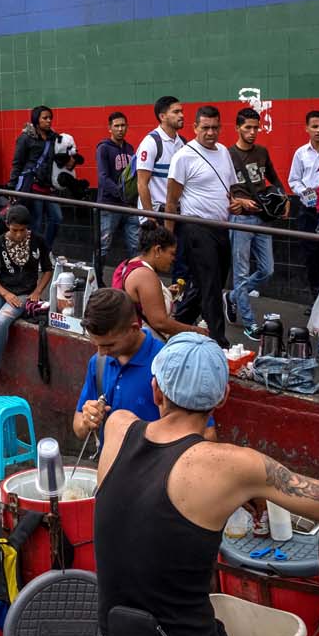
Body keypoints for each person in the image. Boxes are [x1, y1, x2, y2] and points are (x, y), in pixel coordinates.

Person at [93, 333, 319, 636]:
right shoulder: (235, 467)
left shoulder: (117, 427)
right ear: (224, 397)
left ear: (156, 391)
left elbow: (155, 488)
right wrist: (248, 488)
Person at [75, 288, 214, 443]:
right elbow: (78, 427)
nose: (101, 353)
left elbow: (207, 434)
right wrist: (87, 421)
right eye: (96, 344)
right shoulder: (98, 363)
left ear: (134, 328)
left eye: (109, 345)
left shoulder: (171, 366)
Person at [167, 106, 242, 348]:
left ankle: (178, 323)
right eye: (205, 128)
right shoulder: (183, 156)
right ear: (195, 128)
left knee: (210, 283)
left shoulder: (223, 152)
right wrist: (168, 236)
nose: (210, 132)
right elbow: (171, 201)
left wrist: (237, 205)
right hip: (195, 226)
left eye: (214, 127)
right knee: (209, 283)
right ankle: (218, 340)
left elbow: (229, 190)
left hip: (221, 227)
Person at [0, 206, 53, 404]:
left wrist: (37, 291)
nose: (19, 234)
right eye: (14, 230)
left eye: (23, 230)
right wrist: (5, 294)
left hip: (24, 294)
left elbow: (48, 269)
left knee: (1, 322)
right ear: (7, 226)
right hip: (1, 291)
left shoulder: (38, 241)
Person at [226, 108, 286, 340]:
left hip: (262, 216)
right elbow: (220, 186)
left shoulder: (261, 152)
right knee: (240, 273)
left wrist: (283, 198)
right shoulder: (227, 155)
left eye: (255, 127)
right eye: (247, 128)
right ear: (237, 128)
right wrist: (238, 201)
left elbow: (273, 176)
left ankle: (231, 298)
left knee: (267, 269)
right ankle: (249, 322)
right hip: (240, 217)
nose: (252, 132)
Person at [113, 224, 203, 340]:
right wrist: (195, 330)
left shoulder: (128, 264)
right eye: (172, 253)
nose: (173, 259)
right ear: (158, 250)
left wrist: (165, 292)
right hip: (144, 347)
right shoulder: (145, 275)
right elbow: (159, 322)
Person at [9, 105, 63, 248]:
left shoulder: (53, 138)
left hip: (49, 186)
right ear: (36, 120)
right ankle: (35, 253)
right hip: (32, 185)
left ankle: (46, 249)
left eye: (50, 118)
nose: (49, 121)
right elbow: (17, 162)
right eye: (45, 118)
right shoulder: (26, 138)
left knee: (57, 218)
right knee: (36, 223)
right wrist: (11, 187)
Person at [289, 110, 319, 299]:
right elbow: (294, 180)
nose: (318, 130)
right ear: (307, 129)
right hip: (308, 209)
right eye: (314, 126)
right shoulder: (301, 153)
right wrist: (306, 192)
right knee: (311, 255)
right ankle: (316, 300)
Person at [96, 112, 139, 260]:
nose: (120, 129)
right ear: (110, 128)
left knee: (135, 246)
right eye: (117, 126)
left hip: (129, 206)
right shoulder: (103, 148)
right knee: (103, 247)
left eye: (123, 125)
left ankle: (135, 279)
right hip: (109, 205)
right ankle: (96, 280)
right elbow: (103, 178)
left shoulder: (130, 149)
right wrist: (121, 193)